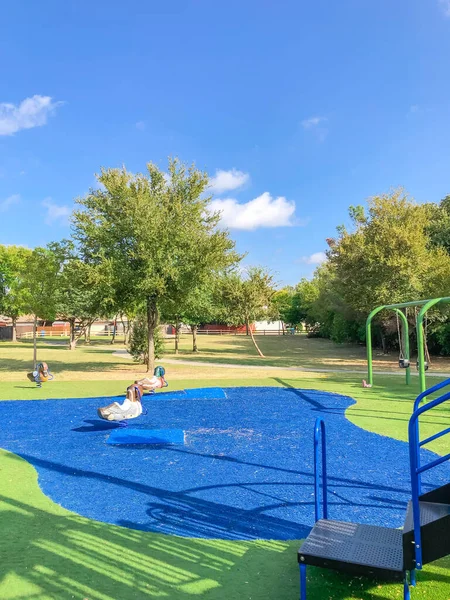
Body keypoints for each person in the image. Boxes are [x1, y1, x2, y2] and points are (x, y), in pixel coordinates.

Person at [97, 366, 167, 421]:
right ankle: (112, 413)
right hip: (134, 406)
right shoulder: (137, 406)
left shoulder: (156, 380)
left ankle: (111, 413)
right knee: (130, 394)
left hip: (133, 406)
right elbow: (164, 384)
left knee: (130, 393)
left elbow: (161, 383)